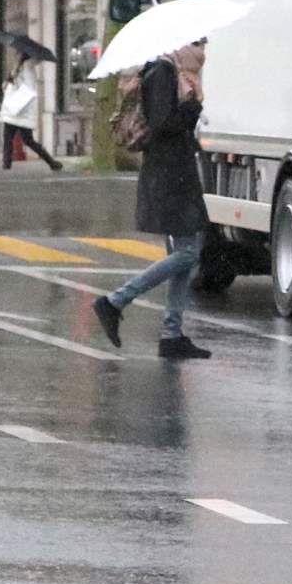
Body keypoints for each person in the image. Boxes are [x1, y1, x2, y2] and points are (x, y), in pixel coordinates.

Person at [90, 42, 212, 361]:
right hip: (167, 175)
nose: (204, 46)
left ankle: (172, 334)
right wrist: (192, 107)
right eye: (199, 40)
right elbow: (163, 124)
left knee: (184, 253)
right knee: (187, 254)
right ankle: (115, 301)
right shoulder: (162, 72)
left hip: (177, 171)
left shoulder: (174, 72)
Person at [0, 63, 64, 170]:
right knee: (10, 138)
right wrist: (9, 82)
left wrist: (12, 83)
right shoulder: (17, 69)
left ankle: (51, 162)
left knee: (27, 140)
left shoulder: (27, 69)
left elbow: (27, 89)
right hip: (13, 110)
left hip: (21, 110)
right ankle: (6, 165)